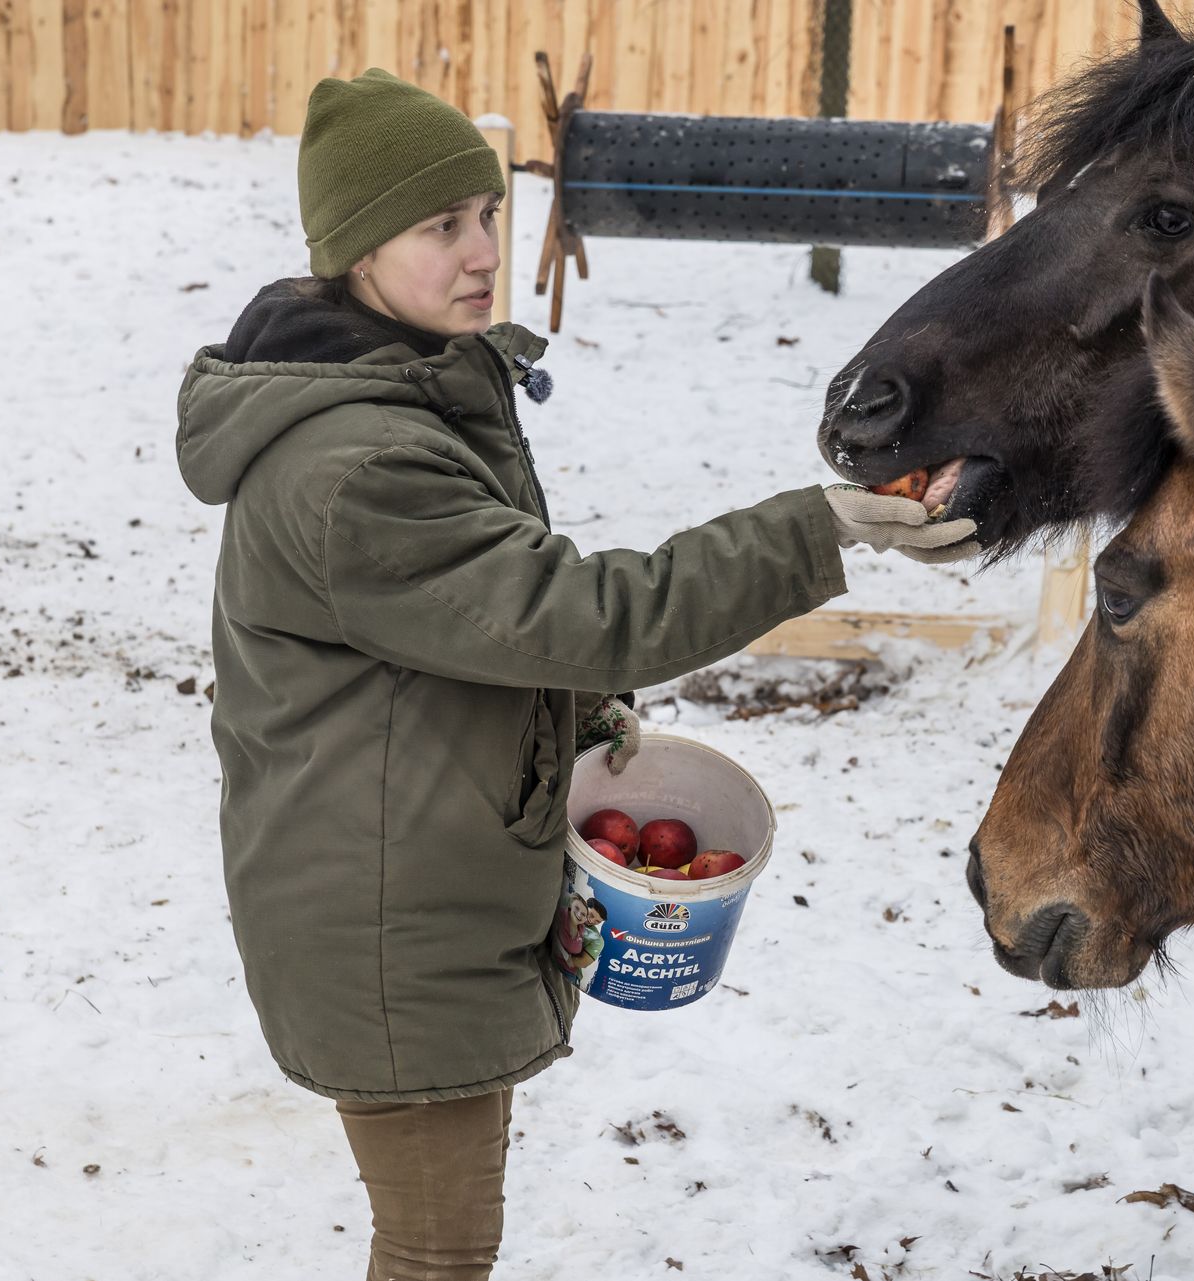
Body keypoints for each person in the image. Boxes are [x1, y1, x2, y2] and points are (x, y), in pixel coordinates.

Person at [173, 67, 977, 1280]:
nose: (483, 249)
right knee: (437, 1252)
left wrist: (571, 721)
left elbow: (469, 634)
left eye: (488, 213)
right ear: (354, 251)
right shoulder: (360, 466)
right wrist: (821, 528)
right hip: (385, 919)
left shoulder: (408, 391)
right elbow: (585, 612)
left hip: (412, 878)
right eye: (439, 226)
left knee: (445, 1239)